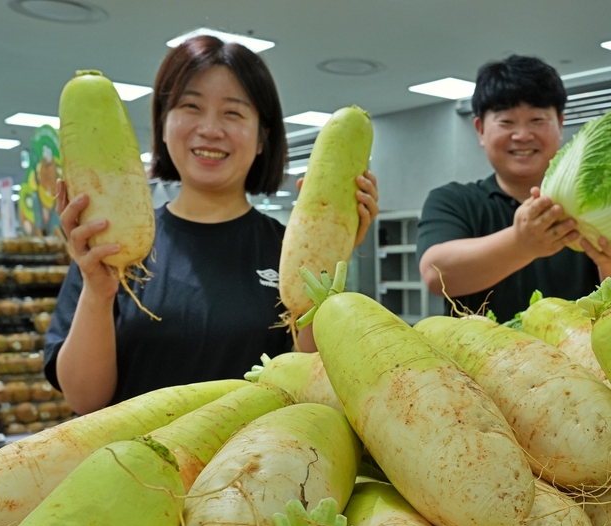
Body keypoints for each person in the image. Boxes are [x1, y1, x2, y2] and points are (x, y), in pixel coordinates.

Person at [46, 35, 379, 414]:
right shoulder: (109, 246)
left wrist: (329, 263)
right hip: (130, 467)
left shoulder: (288, 250)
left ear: (260, 139)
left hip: (253, 464)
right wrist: (98, 290)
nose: (210, 128)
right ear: (164, 125)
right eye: (191, 106)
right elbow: (84, 400)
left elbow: (309, 385)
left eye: (233, 113)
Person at [416, 55, 611, 322]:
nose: (522, 135)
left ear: (560, 124)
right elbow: (435, 275)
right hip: (474, 360)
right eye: (506, 122)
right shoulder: (454, 200)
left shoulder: (596, 211)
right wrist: (522, 244)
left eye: (537, 120)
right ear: (480, 129)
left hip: (579, 361)